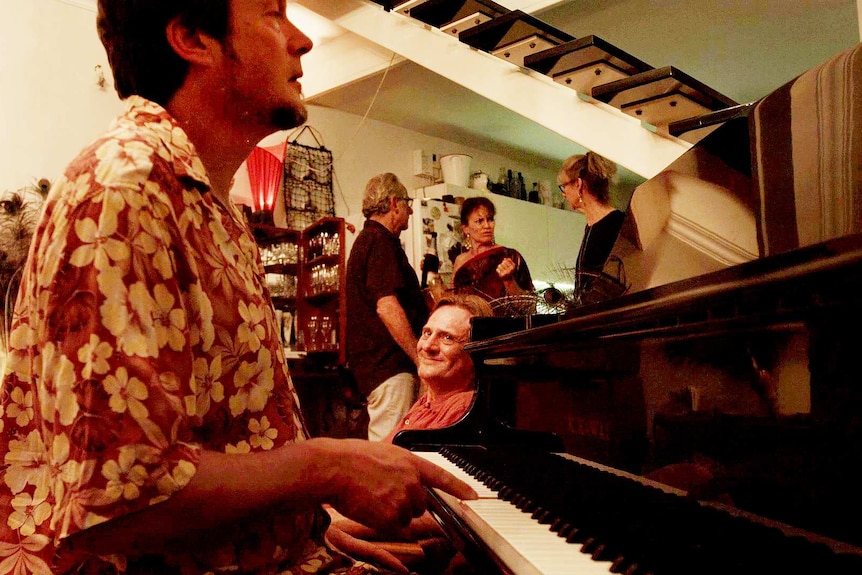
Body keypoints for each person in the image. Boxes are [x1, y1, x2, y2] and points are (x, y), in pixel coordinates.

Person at [0, 3, 476, 575]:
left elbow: (222, 449)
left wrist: (316, 531)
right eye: (273, 14)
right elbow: (119, 499)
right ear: (192, 38)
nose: (302, 41)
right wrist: (328, 465)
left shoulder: (207, 206)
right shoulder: (123, 187)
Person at [346, 173, 430, 441]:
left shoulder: (370, 240)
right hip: (390, 368)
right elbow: (386, 306)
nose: (411, 209)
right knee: (390, 453)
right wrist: (419, 359)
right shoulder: (379, 241)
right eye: (407, 202)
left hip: (381, 368)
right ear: (394, 203)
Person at [385, 294, 493, 443]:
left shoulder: (463, 408)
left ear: (477, 352)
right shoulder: (428, 401)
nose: (428, 346)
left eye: (447, 338)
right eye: (427, 333)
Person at [558, 151, 625, 293]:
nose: (563, 193)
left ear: (578, 184)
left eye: (564, 186)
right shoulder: (592, 227)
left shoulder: (616, 223)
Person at [451, 196, 534, 301]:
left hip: (499, 317)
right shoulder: (460, 260)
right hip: (469, 317)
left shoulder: (509, 255)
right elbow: (454, 299)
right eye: (479, 221)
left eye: (490, 219)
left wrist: (508, 281)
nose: (486, 225)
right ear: (465, 228)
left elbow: (529, 305)